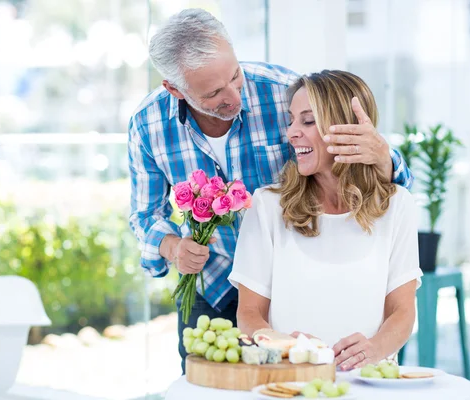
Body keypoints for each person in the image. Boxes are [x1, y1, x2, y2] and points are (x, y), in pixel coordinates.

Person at [127, 8, 414, 374]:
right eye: (215, 92)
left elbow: (382, 188)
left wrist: (383, 158)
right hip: (212, 286)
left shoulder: (283, 92)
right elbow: (144, 214)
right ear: (174, 89)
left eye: (235, 76)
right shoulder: (148, 124)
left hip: (288, 282)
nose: (233, 95)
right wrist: (172, 247)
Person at [228, 70, 422, 372]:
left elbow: (403, 311)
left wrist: (372, 351)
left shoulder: (397, 206)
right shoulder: (267, 206)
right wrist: (283, 344)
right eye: (291, 120)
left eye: (307, 121)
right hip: (290, 380)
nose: (292, 132)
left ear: (348, 129)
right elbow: (249, 314)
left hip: (370, 383)